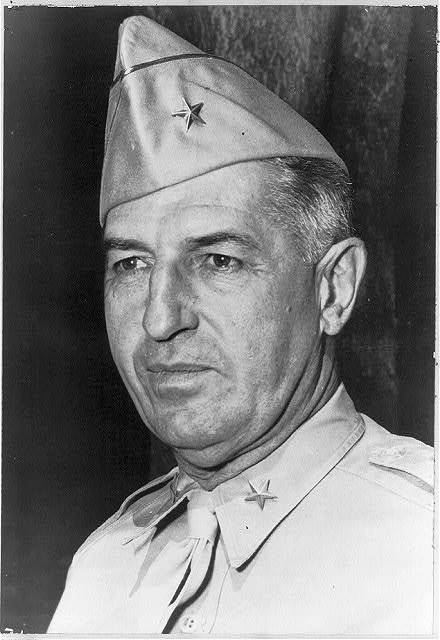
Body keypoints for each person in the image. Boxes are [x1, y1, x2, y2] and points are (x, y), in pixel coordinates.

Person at [48, 16, 434, 635]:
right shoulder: (104, 572)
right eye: (131, 264)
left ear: (333, 289)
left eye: (219, 260)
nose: (159, 318)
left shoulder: (418, 550)